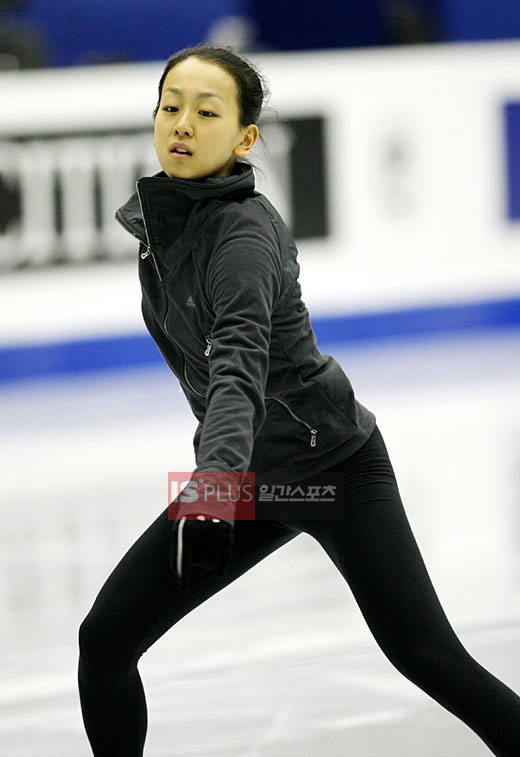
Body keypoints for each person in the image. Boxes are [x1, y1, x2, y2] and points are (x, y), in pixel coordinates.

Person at [77, 44, 520, 756]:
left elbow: (238, 369)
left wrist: (215, 485)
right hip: (255, 476)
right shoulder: (165, 224)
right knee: (105, 639)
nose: (182, 123)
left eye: (206, 111)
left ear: (246, 137)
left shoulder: (242, 237)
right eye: (170, 106)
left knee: (428, 655)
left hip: (331, 471)